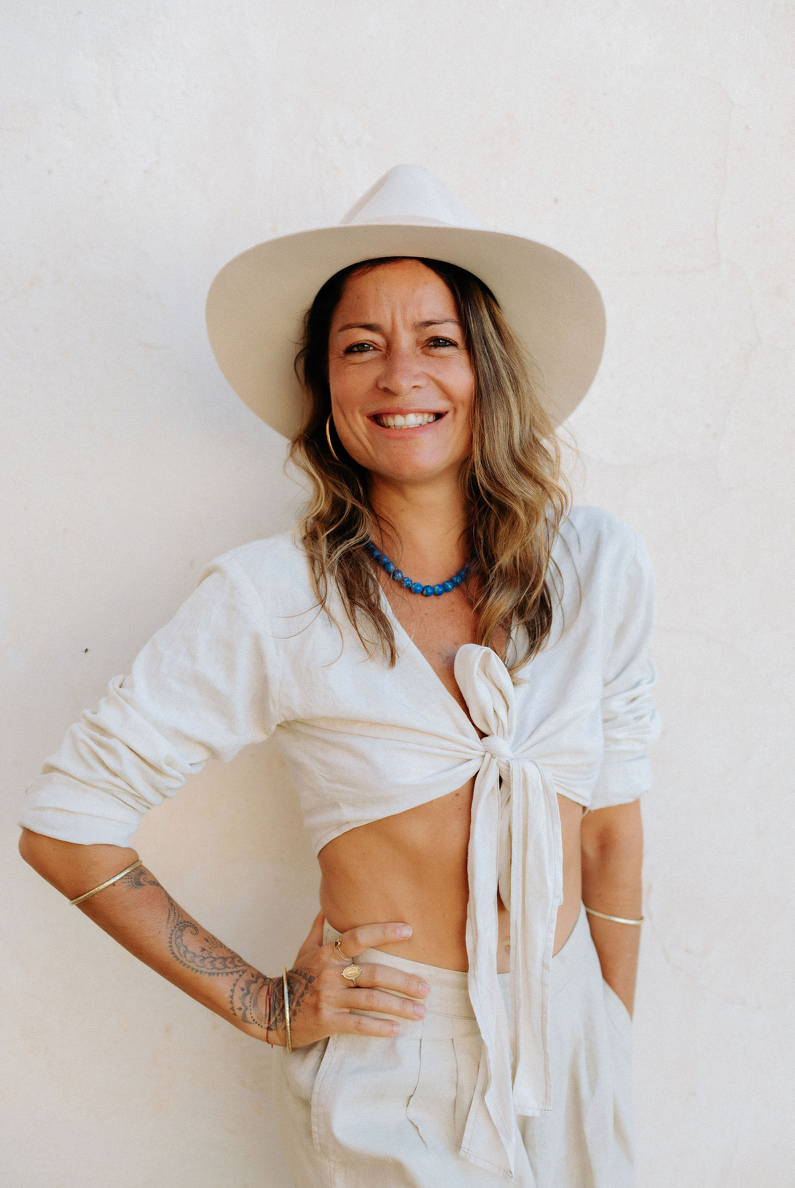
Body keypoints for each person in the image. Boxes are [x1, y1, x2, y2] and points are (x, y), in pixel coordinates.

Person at [19, 165, 660, 1187]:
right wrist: (263, 1003)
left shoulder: (598, 565)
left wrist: (608, 1034)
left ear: (487, 369)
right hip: (394, 1066)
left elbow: (612, 826)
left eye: (436, 341)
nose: (400, 375)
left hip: (570, 1036)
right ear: (325, 392)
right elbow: (65, 823)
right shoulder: (272, 598)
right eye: (361, 346)